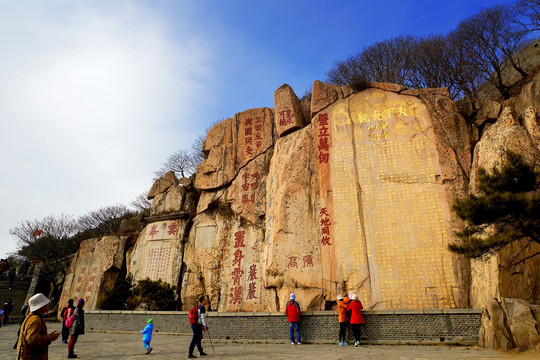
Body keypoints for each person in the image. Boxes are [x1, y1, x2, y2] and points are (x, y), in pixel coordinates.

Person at [16, 293, 60, 359]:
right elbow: (32, 340)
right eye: (45, 304)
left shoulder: (31, 317)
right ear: (41, 306)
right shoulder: (35, 319)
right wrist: (50, 337)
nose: (47, 306)